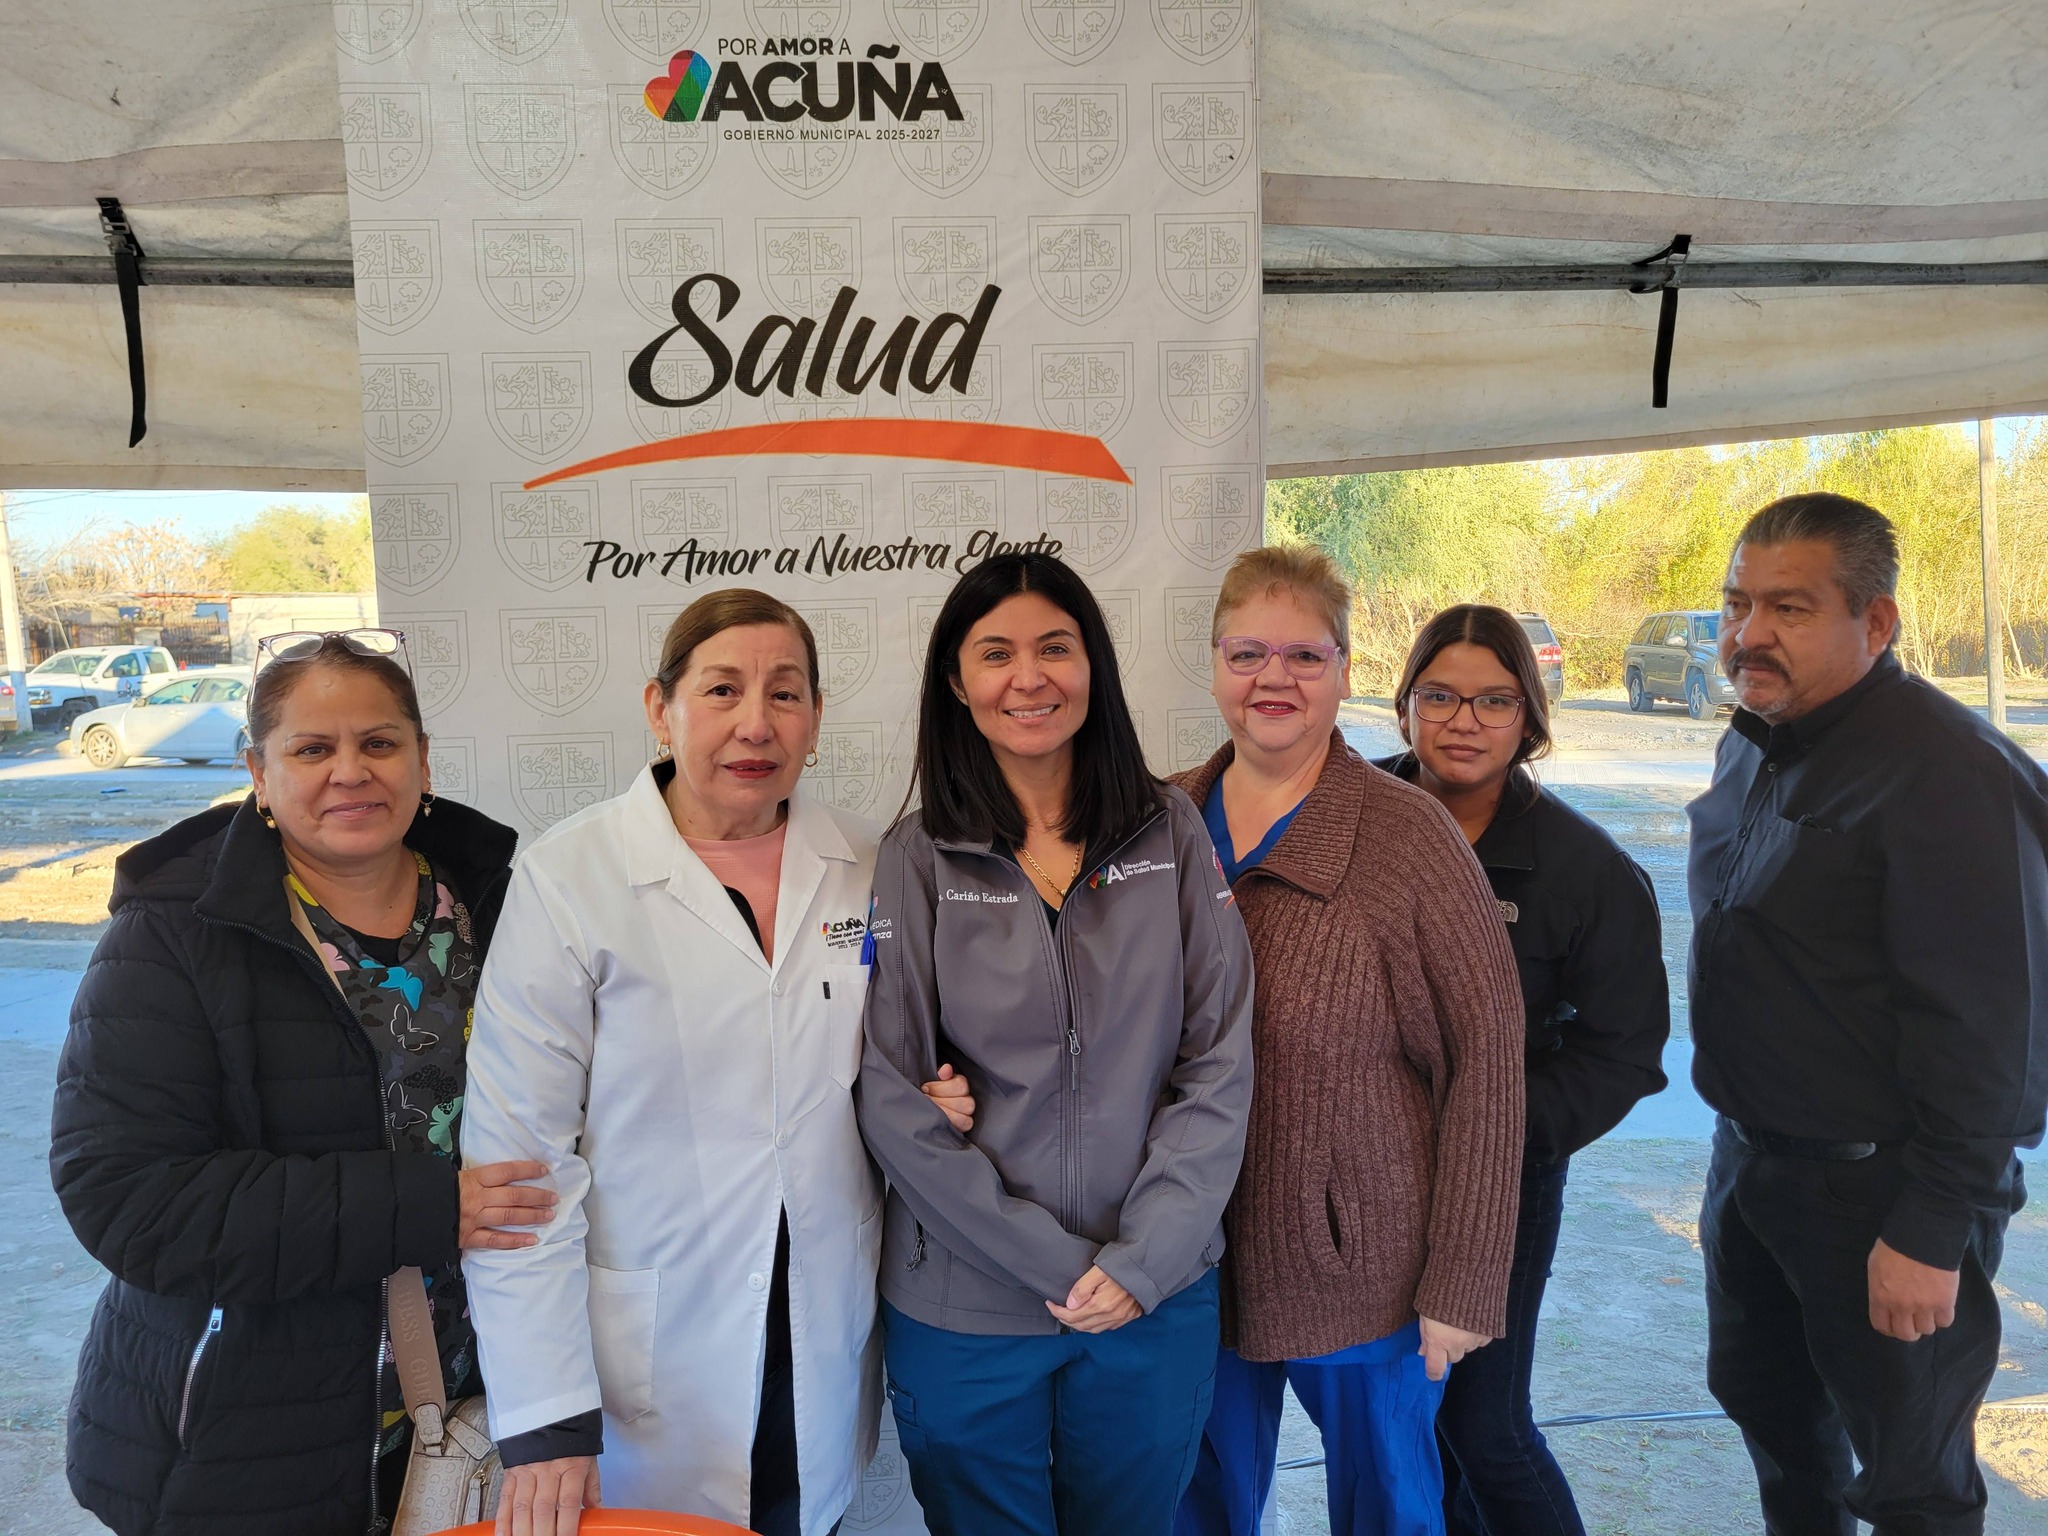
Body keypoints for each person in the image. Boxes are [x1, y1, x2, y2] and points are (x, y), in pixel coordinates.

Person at [459, 589, 968, 1536]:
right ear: (662, 708)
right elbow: (517, 1165)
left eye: (785, 694)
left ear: (815, 721)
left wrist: (939, 1088)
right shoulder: (570, 878)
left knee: (801, 1509)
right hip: (648, 1344)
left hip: (818, 1314)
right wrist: (544, 1413)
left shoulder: (870, 861)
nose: (755, 723)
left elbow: (909, 1047)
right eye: (722, 689)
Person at [49, 629, 545, 1536]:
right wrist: (424, 1207)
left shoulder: (506, 907)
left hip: (482, 1407)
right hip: (256, 1436)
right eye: (312, 749)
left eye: (379, 743)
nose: (350, 771)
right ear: (258, 771)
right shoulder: (174, 936)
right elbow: (124, 1197)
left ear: (423, 760)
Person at [855, 552, 1255, 1536]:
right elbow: (888, 1091)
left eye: (1053, 648)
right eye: (994, 653)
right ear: (957, 682)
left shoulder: (1165, 830)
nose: (1026, 677)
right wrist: (1051, 1261)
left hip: (1147, 1298)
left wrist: (1141, 1261)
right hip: (965, 1305)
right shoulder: (913, 856)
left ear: (1093, 667)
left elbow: (1219, 1058)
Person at [1688, 492, 2048, 1536]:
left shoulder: (1950, 777)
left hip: (1881, 1195)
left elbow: (1999, 1031)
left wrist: (1929, 1230)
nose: (1749, 633)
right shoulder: (1755, 736)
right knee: (1772, 1422)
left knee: (1910, 1481)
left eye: (1788, 608)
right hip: (1751, 1170)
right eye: (1735, 603)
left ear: (1873, 623)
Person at [1174, 547, 1526, 1536]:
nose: (1271, 680)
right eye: (1246, 653)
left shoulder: (1409, 840)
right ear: (1211, 664)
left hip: (1363, 1277)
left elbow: (1486, 1069)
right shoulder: (1153, 824)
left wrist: (1460, 1284)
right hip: (1184, 1261)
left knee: (1388, 1513)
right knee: (1190, 1506)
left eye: (1302, 655)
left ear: (1341, 668)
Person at [1376, 604, 1670, 1536]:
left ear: (1530, 716)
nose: (1465, 721)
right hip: (1360, 1174)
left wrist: (1496, 1132)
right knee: (1404, 1419)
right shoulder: (1351, 820)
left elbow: (1623, 1055)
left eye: (1495, 701)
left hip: (1502, 1184)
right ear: (1407, 704)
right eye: (1442, 696)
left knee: (1482, 1422)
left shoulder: (1588, 870)